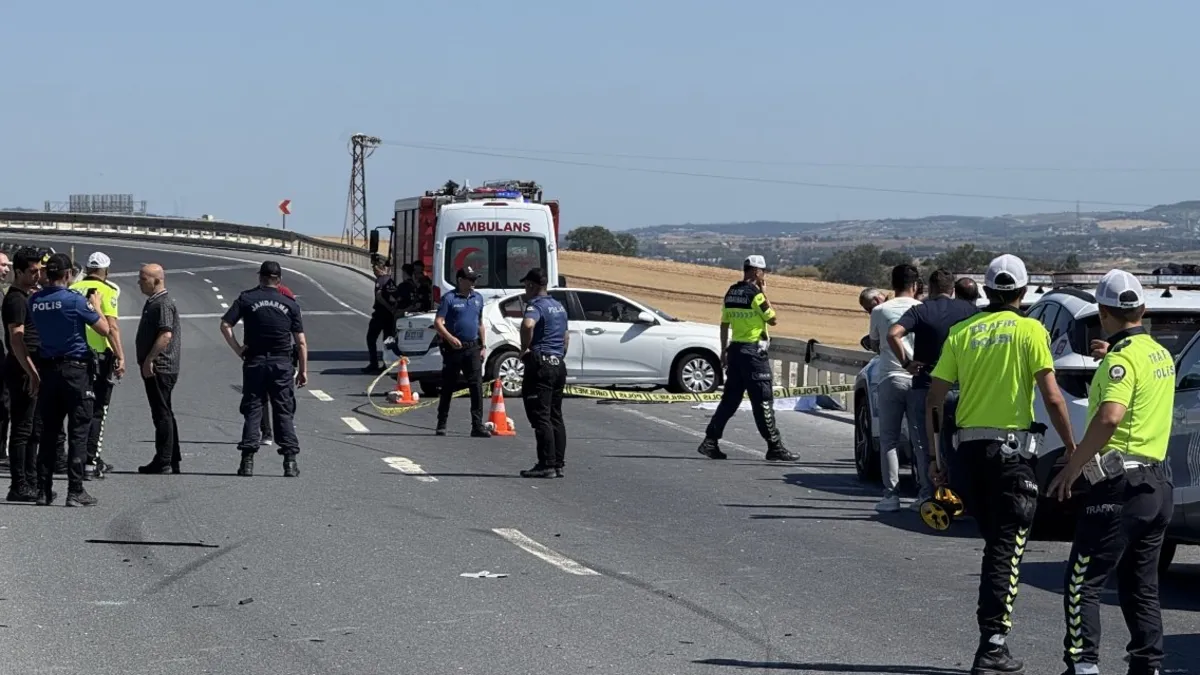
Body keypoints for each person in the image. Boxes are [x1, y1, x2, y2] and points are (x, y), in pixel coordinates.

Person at [926, 254, 1076, 674]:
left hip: (968, 458)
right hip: (1011, 457)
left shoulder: (962, 331)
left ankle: (992, 640)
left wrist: (936, 459)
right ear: (1023, 293)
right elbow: (1052, 396)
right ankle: (992, 644)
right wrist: (1073, 448)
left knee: (995, 548)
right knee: (1005, 553)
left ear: (987, 291)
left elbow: (935, 399)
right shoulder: (1031, 330)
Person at [1047, 270, 1174, 675]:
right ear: (1143, 310)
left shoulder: (1121, 361)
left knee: (1082, 582)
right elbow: (1134, 378)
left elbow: (1110, 417)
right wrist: (1112, 356)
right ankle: (1147, 666)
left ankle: (1083, 665)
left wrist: (1074, 466)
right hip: (1156, 485)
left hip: (1119, 486)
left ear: (1103, 313)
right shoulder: (1158, 354)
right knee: (1141, 585)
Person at [888, 269, 980, 510]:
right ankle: (962, 495)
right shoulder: (970, 311)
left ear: (930, 288)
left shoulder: (921, 310)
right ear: (952, 289)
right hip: (963, 387)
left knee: (926, 445)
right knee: (963, 442)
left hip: (927, 386)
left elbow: (893, 334)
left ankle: (930, 495)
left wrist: (907, 363)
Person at [28, 253, 112, 507]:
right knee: (78, 430)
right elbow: (104, 329)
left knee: (49, 432)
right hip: (75, 370)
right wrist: (96, 306)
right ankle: (75, 490)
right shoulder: (74, 300)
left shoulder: (35, 301)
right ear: (67, 275)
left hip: (48, 370)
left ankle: (43, 490)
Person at [698, 255, 799, 462]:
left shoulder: (731, 292)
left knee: (730, 400)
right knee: (763, 401)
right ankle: (774, 446)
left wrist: (724, 350)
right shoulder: (756, 295)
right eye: (763, 271)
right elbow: (773, 319)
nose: (765, 275)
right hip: (753, 354)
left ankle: (710, 441)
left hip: (734, 351)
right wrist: (764, 292)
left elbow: (724, 324)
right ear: (756, 272)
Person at [220, 260, 308, 478]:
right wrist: (303, 370)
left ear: (260, 277)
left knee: (253, 410)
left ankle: (247, 462)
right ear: (279, 280)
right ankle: (290, 462)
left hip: (255, 362)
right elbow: (301, 342)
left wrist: (238, 349)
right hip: (282, 364)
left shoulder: (247, 299)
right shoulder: (290, 304)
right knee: (283, 411)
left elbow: (225, 325)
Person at [867, 264, 923, 512]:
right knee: (920, 440)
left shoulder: (880, 310)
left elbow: (874, 343)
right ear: (915, 285)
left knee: (889, 440)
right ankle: (924, 494)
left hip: (890, 377)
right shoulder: (922, 308)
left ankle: (891, 494)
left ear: (893, 284)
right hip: (918, 379)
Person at [70, 251, 126, 479]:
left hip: (75, 354)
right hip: (100, 356)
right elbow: (111, 327)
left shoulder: (73, 289)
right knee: (97, 410)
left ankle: (77, 458)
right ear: (106, 271)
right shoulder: (107, 291)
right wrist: (120, 355)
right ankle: (91, 461)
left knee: (78, 409)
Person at [517, 267, 568, 478]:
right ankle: (558, 463)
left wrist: (524, 348)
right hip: (558, 364)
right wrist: (560, 355)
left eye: (526, 285)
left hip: (541, 363)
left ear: (531, 285)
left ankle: (546, 464)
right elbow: (565, 336)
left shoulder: (535, 305)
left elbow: (528, 325)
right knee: (556, 415)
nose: (525, 289)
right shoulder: (559, 306)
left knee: (541, 416)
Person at [4, 248, 44, 502]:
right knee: (22, 428)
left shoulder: (28, 296)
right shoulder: (16, 300)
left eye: (39, 270)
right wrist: (31, 372)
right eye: (32, 271)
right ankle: (18, 484)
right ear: (18, 272)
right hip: (21, 369)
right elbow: (16, 340)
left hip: (31, 367)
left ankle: (31, 480)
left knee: (33, 429)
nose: (37, 275)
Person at [135, 264, 183, 474]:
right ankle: (172, 457)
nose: (139, 283)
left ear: (156, 280)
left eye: (143, 279)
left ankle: (163, 460)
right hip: (157, 365)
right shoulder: (154, 302)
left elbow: (166, 335)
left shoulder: (163, 303)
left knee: (161, 414)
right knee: (165, 412)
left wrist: (150, 359)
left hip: (160, 366)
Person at [433, 266, 488, 437]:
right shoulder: (449, 298)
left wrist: (483, 345)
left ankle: (477, 425)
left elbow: (480, 323)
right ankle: (442, 423)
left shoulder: (478, 298)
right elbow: (438, 322)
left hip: (473, 348)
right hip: (453, 349)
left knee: (476, 386)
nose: (474, 282)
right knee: (448, 386)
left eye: (475, 279)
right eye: (470, 279)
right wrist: (450, 338)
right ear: (460, 280)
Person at [260, 282, 297, 445]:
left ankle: (278, 430)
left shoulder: (284, 293)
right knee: (266, 397)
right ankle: (268, 432)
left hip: (277, 353)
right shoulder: (284, 294)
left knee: (279, 398)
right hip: (277, 355)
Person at [363, 257, 399, 373]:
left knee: (371, 338)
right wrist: (393, 309)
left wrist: (388, 307)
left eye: (375, 269)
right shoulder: (392, 280)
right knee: (387, 340)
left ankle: (374, 363)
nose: (374, 272)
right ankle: (386, 364)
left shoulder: (380, 280)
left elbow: (379, 296)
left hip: (380, 314)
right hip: (390, 316)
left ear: (380, 269)